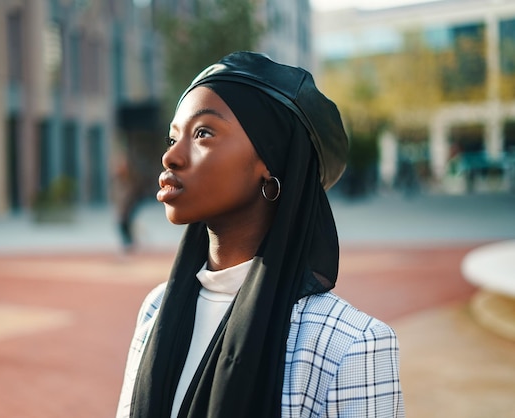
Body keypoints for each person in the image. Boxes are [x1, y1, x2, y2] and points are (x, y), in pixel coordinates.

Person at [117, 51, 404, 417]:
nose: (171, 157)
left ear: (271, 162)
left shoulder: (348, 344)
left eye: (203, 132)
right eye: (173, 138)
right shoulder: (156, 309)